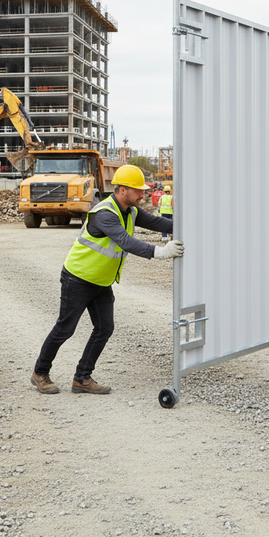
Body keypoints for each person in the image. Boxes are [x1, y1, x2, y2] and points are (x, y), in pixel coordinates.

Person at [30, 165, 183, 395]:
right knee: (65, 328)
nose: (143, 194)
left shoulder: (131, 211)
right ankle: (40, 373)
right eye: (137, 190)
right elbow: (126, 242)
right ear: (122, 190)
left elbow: (159, 223)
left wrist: (188, 226)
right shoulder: (104, 214)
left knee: (104, 328)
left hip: (101, 281)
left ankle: (82, 378)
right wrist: (162, 252)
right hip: (78, 278)